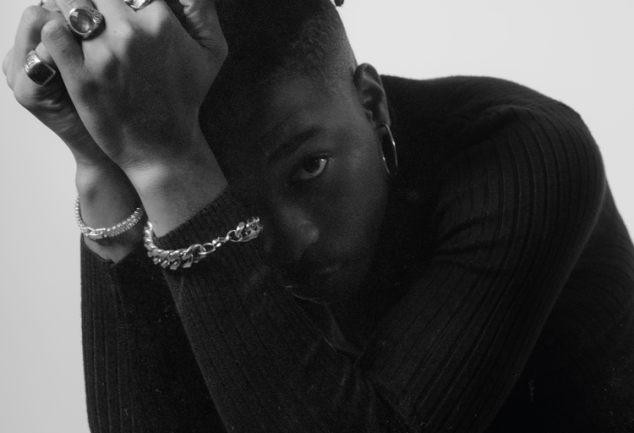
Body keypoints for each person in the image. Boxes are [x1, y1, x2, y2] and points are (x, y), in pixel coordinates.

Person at [4, 0, 634, 431]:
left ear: (372, 105)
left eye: (310, 167)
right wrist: (105, 165)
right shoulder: (177, 169)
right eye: (229, 200)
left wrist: (172, 164)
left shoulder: (522, 149)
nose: (291, 239)